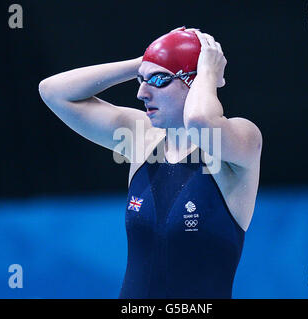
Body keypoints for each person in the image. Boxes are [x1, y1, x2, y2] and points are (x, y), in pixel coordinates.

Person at [38, 27, 262, 299]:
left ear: (195, 80)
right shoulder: (141, 137)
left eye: (157, 80)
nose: (142, 93)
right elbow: (53, 91)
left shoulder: (241, 139)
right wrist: (143, 64)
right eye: (141, 81)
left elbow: (200, 121)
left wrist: (207, 73)